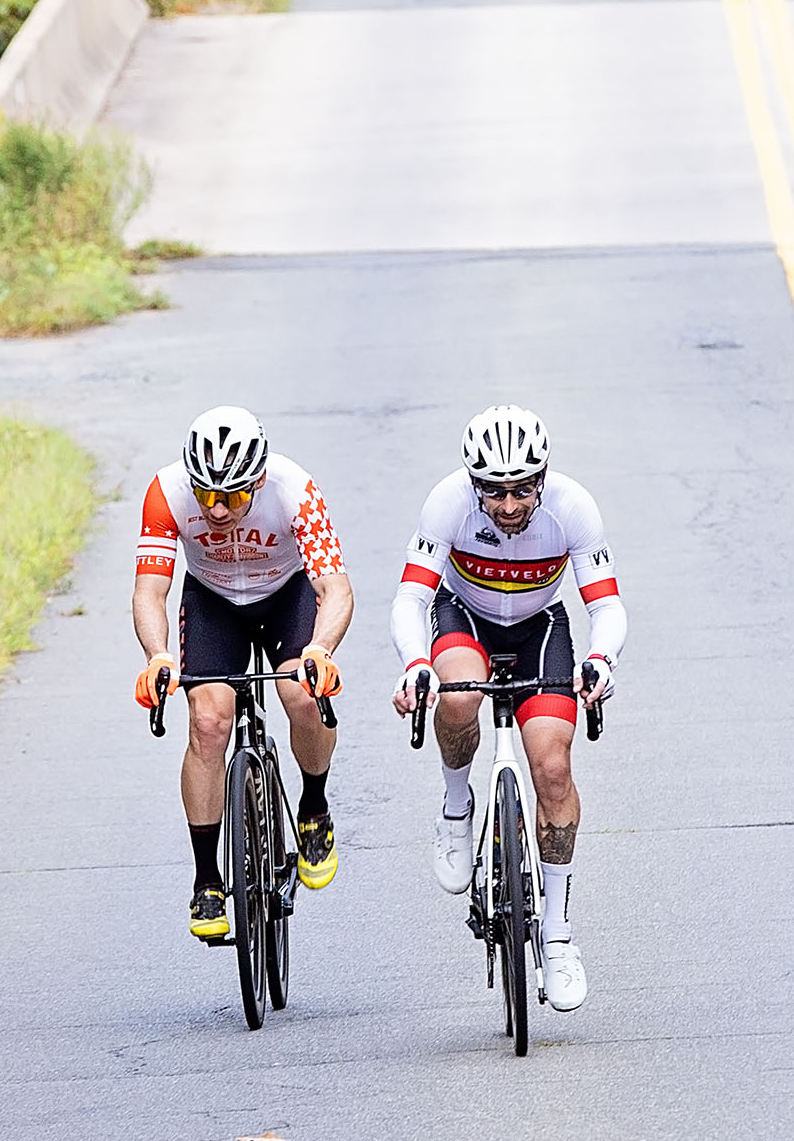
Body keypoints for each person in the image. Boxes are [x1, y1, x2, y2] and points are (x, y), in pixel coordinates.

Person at [390, 405, 624, 1013]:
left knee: (553, 769)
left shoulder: (573, 507)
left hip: (539, 626)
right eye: (494, 491)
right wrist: (415, 664)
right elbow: (411, 598)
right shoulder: (447, 503)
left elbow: (605, 605)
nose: (510, 505)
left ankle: (558, 934)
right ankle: (456, 806)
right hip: (464, 617)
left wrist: (600, 660)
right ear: (474, 484)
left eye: (523, 489)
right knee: (458, 695)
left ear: (543, 479)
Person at [134, 406, 352, 942]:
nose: (216, 509)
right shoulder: (166, 492)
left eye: (231, 497)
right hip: (213, 600)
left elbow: (335, 590)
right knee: (209, 723)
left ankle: (314, 806)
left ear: (257, 480)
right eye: (206, 494)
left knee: (303, 696)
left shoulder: (293, 489)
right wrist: (158, 655)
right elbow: (150, 591)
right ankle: (207, 879)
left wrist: (320, 649)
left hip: (285, 595)